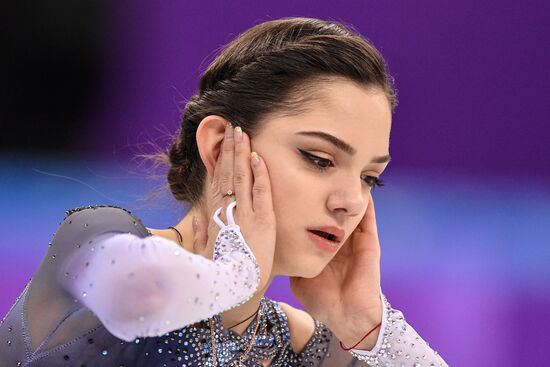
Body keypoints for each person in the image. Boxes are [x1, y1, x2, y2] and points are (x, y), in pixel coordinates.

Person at [0, 17, 448, 366]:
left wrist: (368, 328)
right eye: (319, 159)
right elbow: (138, 297)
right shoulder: (98, 239)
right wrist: (238, 274)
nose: (350, 201)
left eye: (370, 178)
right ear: (218, 146)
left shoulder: (294, 345)